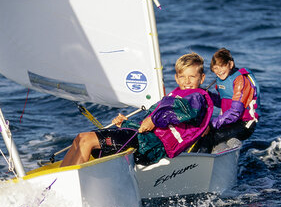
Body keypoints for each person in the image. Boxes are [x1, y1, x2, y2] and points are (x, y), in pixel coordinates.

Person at [60, 52, 214, 167]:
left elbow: (178, 111)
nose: (186, 81)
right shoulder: (176, 95)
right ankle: (61, 180)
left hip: (153, 146)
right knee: (81, 138)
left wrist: (153, 120)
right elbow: (151, 116)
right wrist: (128, 124)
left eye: (192, 77)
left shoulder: (196, 98)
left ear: (202, 78)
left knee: (87, 141)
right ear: (176, 78)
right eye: (182, 77)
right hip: (143, 139)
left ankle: (70, 189)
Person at [194, 48, 260, 153]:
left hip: (244, 124)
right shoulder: (222, 79)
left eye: (222, 66)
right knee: (200, 134)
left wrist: (211, 124)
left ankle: (200, 162)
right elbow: (223, 103)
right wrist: (207, 95)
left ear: (230, 64)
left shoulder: (240, 80)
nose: (219, 71)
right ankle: (189, 157)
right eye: (216, 68)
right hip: (230, 122)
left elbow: (235, 112)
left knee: (210, 136)